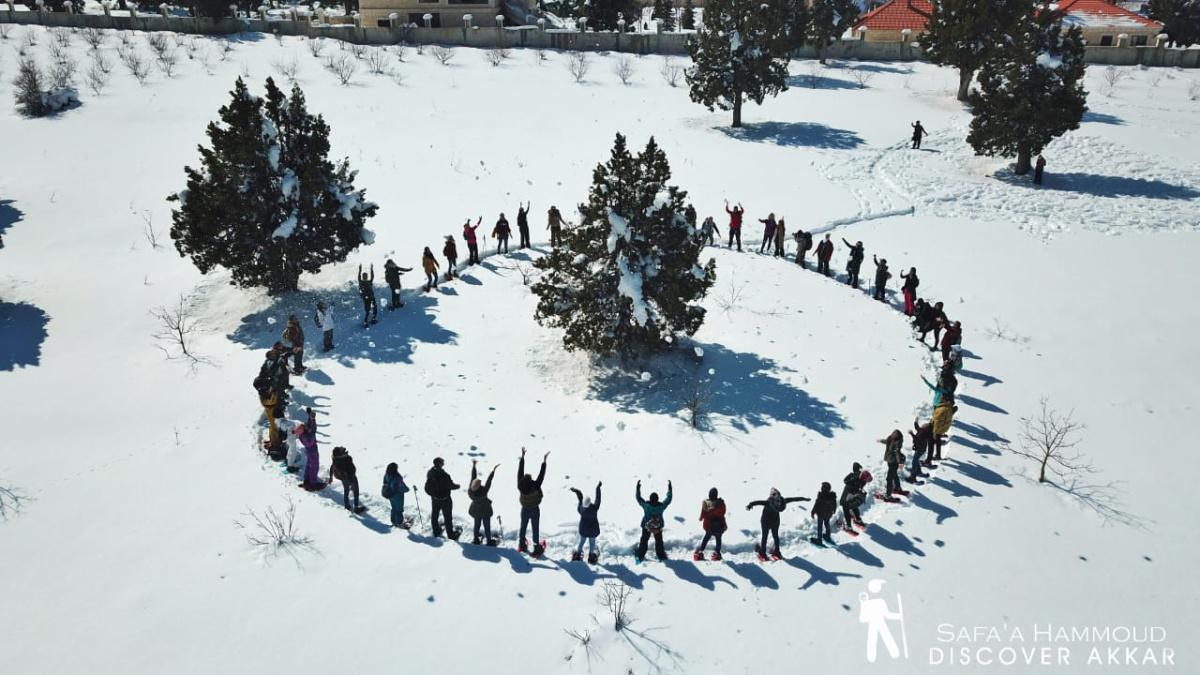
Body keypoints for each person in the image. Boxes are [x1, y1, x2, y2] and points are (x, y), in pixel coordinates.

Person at [746, 488, 810, 559]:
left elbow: (757, 502)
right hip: (775, 522)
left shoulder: (767, 503)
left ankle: (762, 552)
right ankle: (777, 552)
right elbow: (794, 499)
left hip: (765, 522)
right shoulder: (783, 502)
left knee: (765, 536)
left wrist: (750, 505)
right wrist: (804, 499)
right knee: (775, 536)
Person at [517, 447, 549, 556]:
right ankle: (536, 547)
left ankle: (521, 544)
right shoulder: (535, 485)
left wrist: (522, 457)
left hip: (524, 509)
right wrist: (544, 461)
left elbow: (519, 472)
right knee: (535, 528)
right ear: (530, 481)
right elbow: (541, 475)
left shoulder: (520, 485)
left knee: (523, 526)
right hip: (535, 509)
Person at [634, 479, 672, 561]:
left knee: (644, 540)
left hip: (646, 525)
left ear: (650, 499)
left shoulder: (646, 506)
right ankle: (661, 555)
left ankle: (640, 554)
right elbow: (669, 499)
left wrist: (638, 488)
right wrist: (670, 488)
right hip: (658, 526)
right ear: (657, 499)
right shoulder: (661, 506)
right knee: (659, 541)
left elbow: (638, 498)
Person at [424, 457, 461, 539]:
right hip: (445, 500)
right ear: (440, 464)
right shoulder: (445, 475)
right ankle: (451, 535)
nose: (443, 463)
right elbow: (451, 486)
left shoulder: (430, 473)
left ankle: (436, 531)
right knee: (448, 517)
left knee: (434, 515)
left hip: (434, 499)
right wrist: (457, 486)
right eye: (442, 462)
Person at [467, 460, 499, 545]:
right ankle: (489, 540)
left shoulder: (470, 491)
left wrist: (474, 466)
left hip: (475, 510)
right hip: (485, 510)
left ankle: (476, 538)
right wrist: (493, 471)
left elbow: (473, 477)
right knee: (487, 526)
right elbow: (489, 481)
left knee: (477, 525)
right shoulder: (484, 491)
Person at [569, 482, 602, 563]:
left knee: (581, 542)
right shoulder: (594, 508)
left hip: (584, 530)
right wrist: (598, 488)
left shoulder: (581, 509)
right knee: (592, 544)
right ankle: (591, 557)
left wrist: (576, 491)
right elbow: (598, 499)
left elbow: (580, 498)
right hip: (593, 531)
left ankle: (578, 554)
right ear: (590, 502)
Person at [695, 487, 727, 561]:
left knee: (706, 538)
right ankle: (717, 553)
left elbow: (703, 514)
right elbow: (723, 513)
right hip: (719, 525)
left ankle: (700, 552)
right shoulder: (721, 503)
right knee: (718, 539)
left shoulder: (706, 503)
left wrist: (701, 518)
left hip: (709, 526)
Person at [328, 446, 363, 513]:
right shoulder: (346, 460)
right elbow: (350, 470)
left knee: (346, 490)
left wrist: (331, 477)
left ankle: (347, 506)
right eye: (343, 452)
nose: (345, 452)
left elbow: (332, 467)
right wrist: (351, 481)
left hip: (343, 477)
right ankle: (356, 507)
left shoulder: (335, 460)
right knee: (356, 491)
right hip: (351, 477)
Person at [296, 407, 323, 491]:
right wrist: (313, 420)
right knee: (314, 466)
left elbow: (308, 427)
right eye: (303, 427)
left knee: (309, 464)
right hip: (312, 450)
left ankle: (306, 479)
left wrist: (310, 417)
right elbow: (313, 430)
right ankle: (312, 483)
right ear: (303, 430)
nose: (305, 426)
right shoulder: (306, 437)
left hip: (309, 450)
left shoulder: (303, 433)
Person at [840, 462, 868, 533]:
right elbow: (861, 485)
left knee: (845, 507)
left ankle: (848, 526)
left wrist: (852, 479)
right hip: (855, 494)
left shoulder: (852, 475)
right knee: (853, 506)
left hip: (847, 492)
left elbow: (845, 481)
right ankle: (858, 519)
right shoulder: (862, 476)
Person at [382, 463, 411, 528]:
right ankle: (399, 523)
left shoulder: (387, 474)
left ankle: (393, 521)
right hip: (398, 496)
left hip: (390, 494)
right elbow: (401, 487)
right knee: (399, 510)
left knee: (394, 508)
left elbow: (385, 483)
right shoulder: (397, 477)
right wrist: (407, 489)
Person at [879, 430, 904, 498]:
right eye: (893, 433)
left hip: (894, 462)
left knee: (889, 478)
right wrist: (881, 441)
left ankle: (888, 494)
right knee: (894, 474)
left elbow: (897, 453)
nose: (892, 434)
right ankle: (898, 487)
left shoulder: (897, 443)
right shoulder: (890, 439)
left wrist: (900, 463)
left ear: (897, 436)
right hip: (889, 460)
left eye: (894, 434)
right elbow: (887, 442)